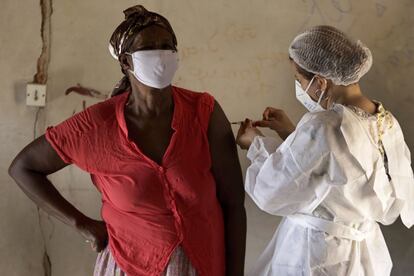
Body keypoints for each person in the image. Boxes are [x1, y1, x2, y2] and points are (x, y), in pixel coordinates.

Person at [9, 5, 246, 276]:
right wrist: (82, 224)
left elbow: (233, 204)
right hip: (130, 265)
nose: (160, 54)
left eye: (167, 45)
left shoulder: (204, 113)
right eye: (148, 48)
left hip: (202, 263)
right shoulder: (97, 125)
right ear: (125, 62)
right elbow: (23, 167)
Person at [236, 25, 414, 275]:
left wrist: (254, 144)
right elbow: (339, 165)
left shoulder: (323, 125)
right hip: (365, 256)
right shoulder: (386, 121)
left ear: (320, 82)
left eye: (299, 80)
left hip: (316, 255)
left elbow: (273, 190)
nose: (299, 87)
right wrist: (291, 132)